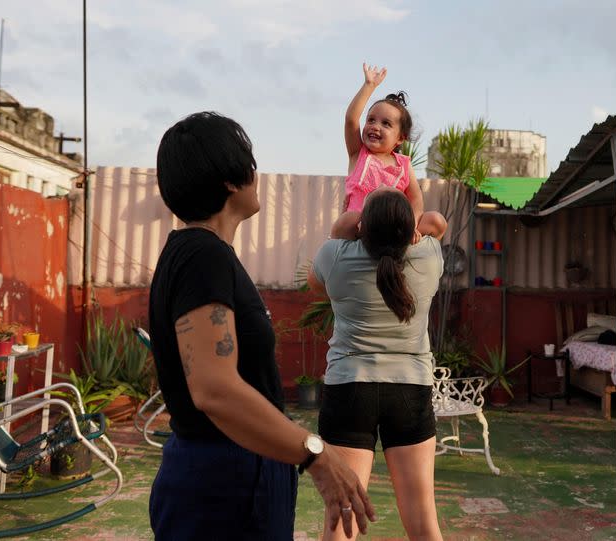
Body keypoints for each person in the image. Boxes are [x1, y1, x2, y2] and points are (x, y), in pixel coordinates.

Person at [149, 111, 376, 540]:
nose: (258, 174)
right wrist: (316, 455)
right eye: (250, 163)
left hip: (234, 471)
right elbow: (214, 389)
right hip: (223, 481)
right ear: (231, 180)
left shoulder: (201, 253)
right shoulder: (203, 256)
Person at [308, 186, 447, 540]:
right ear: (409, 230)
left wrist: (344, 228)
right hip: (410, 390)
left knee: (342, 519)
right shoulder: (429, 258)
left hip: (349, 390)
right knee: (422, 518)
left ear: (362, 227)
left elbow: (314, 285)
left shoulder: (335, 257)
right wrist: (414, 228)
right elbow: (437, 222)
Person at [331, 63, 445, 243]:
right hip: (361, 229)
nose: (375, 126)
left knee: (437, 221)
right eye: (371, 120)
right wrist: (369, 86)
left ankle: (417, 255)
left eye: (386, 124)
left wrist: (412, 227)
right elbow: (351, 120)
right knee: (347, 220)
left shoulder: (404, 165)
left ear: (400, 138)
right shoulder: (358, 155)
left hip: (394, 230)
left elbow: (416, 202)